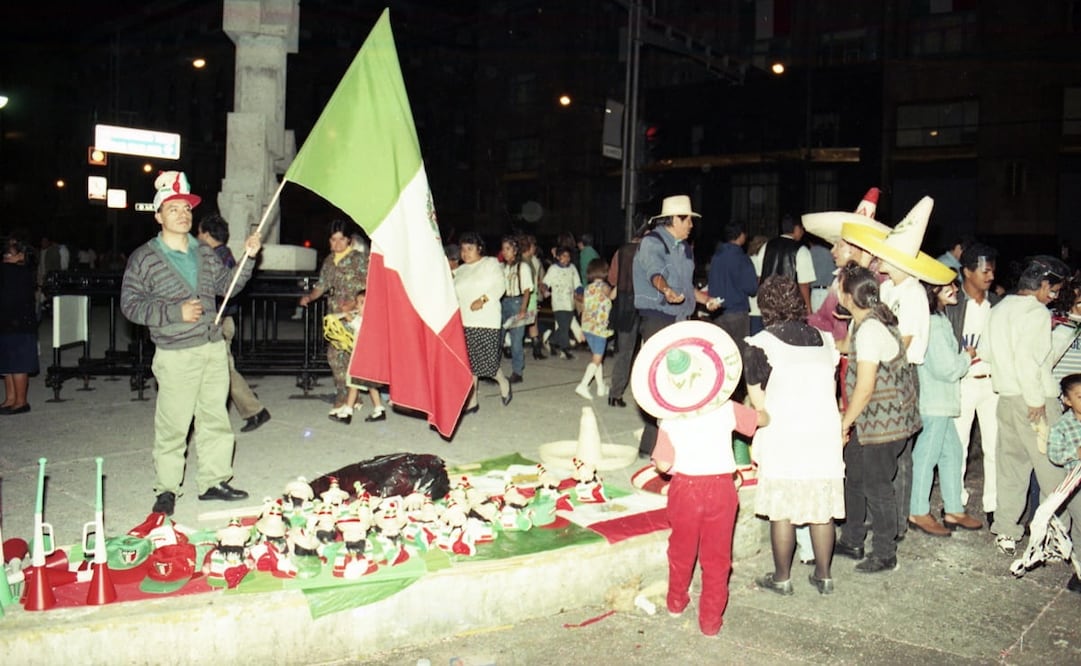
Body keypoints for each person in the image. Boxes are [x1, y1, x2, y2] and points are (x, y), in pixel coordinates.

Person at [121, 171, 261, 515]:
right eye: (173, 209)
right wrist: (173, 311)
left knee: (215, 418)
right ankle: (167, 487)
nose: (183, 214)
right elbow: (130, 304)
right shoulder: (144, 258)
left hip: (212, 348)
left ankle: (214, 480)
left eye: (186, 208)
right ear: (158, 216)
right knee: (174, 425)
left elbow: (228, 286)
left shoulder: (204, 253)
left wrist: (248, 257)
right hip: (175, 353)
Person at [745, 276, 844, 596]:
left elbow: (761, 408)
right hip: (823, 430)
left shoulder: (759, 343)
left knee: (783, 509)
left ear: (765, 306)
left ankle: (782, 577)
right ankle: (824, 576)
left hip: (784, 432)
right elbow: (830, 388)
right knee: (821, 508)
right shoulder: (825, 339)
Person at [982, 255, 1076, 566]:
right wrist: (1036, 400)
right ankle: (1059, 535)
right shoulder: (1036, 313)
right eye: (1053, 290)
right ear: (1042, 283)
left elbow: (985, 352)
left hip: (1007, 399)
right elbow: (1028, 360)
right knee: (1056, 474)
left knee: (1011, 467)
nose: (1053, 297)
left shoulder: (1000, 307)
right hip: (1035, 402)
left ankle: (1007, 531)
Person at [652, 386, 765, 636]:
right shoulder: (725, 408)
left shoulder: (670, 419)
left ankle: (676, 602)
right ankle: (710, 621)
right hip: (721, 488)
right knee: (717, 558)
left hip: (684, 489)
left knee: (681, 548)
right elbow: (762, 419)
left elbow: (662, 464)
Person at [834, 264, 921, 573]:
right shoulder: (864, 320)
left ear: (846, 295)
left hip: (886, 422)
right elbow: (846, 346)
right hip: (874, 420)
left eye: (838, 283)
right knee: (853, 473)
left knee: (877, 485)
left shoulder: (871, 328)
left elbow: (866, 387)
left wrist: (844, 423)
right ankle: (853, 539)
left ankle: (885, 553)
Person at [632, 195, 719, 456]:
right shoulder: (652, 242)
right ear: (676, 219)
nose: (692, 225)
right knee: (659, 381)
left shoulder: (684, 247)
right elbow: (654, 272)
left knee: (679, 381)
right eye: (689, 220)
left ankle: (668, 444)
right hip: (658, 318)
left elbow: (686, 287)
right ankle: (650, 446)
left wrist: (705, 300)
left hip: (680, 318)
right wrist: (666, 290)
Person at [909, 281, 982, 537]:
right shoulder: (936, 322)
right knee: (926, 457)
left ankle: (953, 509)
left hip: (939, 401)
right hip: (935, 401)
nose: (955, 289)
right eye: (947, 286)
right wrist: (968, 356)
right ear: (932, 291)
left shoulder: (937, 318)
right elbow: (948, 369)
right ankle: (917, 511)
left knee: (951, 453)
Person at [196, 214, 271, 433]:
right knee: (223, 369)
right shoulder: (224, 254)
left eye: (200, 232)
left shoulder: (214, 258)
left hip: (220, 321)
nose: (197, 236)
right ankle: (252, 407)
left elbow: (225, 288)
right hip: (223, 319)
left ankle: (255, 410)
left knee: (225, 371)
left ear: (207, 235)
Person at [944, 243, 1000, 522]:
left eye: (992, 270)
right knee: (958, 446)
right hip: (963, 382)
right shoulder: (953, 306)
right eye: (984, 270)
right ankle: (955, 502)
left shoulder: (998, 305)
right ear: (966, 271)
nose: (990, 276)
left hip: (992, 384)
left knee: (994, 445)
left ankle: (993, 505)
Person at [298, 220, 369, 416]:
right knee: (336, 357)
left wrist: (355, 304)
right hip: (335, 319)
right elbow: (322, 285)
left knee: (349, 358)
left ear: (349, 240)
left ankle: (350, 395)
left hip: (354, 317)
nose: (337, 244)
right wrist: (309, 297)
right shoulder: (329, 261)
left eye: (341, 239)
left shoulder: (360, 259)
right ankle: (345, 394)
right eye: (333, 240)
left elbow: (371, 286)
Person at [453, 232, 512, 411]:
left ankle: (504, 382)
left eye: (470, 249)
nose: (465, 253)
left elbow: (500, 286)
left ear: (479, 248)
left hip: (487, 320)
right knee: (470, 364)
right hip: (465, 321)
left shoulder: (491, 264)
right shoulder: (460, 270)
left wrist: (483, 299)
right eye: (463, 249)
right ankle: (472, 401)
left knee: (487, 364)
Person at [1047, 372, 1081, 594]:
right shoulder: (1062, 426)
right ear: (1067, 401)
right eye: (1079, 396)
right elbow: (1054, 454)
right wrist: (1074, 452)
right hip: (1076, 486)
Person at [332, 290, 387, 424]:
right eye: (357, 303)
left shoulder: (368, 321)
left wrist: (349, 318)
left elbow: (361, 328)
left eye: (360, 303)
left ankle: (347, 412)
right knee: (371, 385)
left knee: (353, 385)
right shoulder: (367, 319)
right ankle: (379, 409)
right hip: (366, 359)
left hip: (361, 360)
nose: (357, 306)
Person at [604, 225, 643, 408]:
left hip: (624, 304)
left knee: (624, 352)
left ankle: (615, 393)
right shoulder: (649, 250)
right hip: (647, 305)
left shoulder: (621, 252)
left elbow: (612, 279)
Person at [1, 232, 38, 415]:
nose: (8, 252)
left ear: (22, 255)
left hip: (20, 324)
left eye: (12, 249)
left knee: (18, 363)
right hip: (7, 322)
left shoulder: (21, 272)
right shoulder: (8, 270)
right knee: (7, 364)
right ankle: (10, 398)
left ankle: (21, 401)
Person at [707, 222, 758, 346]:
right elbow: (751, 288)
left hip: (717, 312)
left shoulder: (716, 256)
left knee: (723, 350)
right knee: (739, 352)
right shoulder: (742, 258)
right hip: (737, 312)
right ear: (741, 236)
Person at [759, 214, 816, 315]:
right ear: (796, 228)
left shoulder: (767, 246)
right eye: (802, 229)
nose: (802, 232)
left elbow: (759, 276)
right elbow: (804, 284)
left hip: (768, 303)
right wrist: (808, 307)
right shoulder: (801, 250)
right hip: (790, 304)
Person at [575, 257, 615, 400]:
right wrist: (617, 286)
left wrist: (581, 328)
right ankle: (583, 385)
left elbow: (585, 307)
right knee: (597, 358)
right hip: (599, 328)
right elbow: (611, 296)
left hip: (588, 326)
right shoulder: (604, 287)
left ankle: (600, 387)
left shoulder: (588, 289)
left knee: (597, 358)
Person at [500, 235, 533, 383]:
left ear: (515, 250)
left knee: (516, 340)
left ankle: (517, 372)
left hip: (517, 302)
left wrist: (523, 308)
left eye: (508, 249)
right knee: (498, 337)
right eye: (503, 249)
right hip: (503, 302)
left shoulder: (523, 267)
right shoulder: (502, 267)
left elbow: (527, 290)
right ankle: (493, 370)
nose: (505, 252)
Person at [543, 246, 580, 360]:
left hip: (569, 303)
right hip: (558, 302)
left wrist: (580, 292)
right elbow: (545, 282)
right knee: (563, 326)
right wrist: (544, 290)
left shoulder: (572, 268)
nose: (566, 258)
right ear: (558, 257)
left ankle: (552, 340)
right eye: (564, 256)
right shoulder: (553, 269)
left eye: (568, 256)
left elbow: (577, 283)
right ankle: (565, 349)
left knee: (565, 326)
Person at [520, 235, 547, 360]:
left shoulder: (531, 260)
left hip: (532, 295)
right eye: (533, 246)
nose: (535, 248)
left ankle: (536, 350)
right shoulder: (523, 262)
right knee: (523, 324)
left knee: (532, 322)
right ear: (529, 247)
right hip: (526, 296)